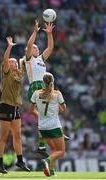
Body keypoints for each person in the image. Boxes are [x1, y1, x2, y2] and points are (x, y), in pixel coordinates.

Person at [20, 20, 69, 157]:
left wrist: (49, 34)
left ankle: (42, 145)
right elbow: (29, 44)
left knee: (46, 114)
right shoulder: (29, 59)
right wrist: (35, 32)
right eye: (35, 48)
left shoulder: (41, 59)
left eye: (37, 48)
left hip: (45, 86)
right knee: (44, 114)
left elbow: (51, 47)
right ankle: (48, 140)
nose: (37, 49)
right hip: (36, 86)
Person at [0, 36, 30, 174]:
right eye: (12, 62)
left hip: (15, 107)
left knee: (17, 136)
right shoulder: (6, 72)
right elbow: (5, 59)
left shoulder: (18, 73)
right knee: (4, 137)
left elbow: (25, 60)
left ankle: (20, 160)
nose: (14, 64)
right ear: (7, 65)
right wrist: (9, 46)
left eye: (15, 62)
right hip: (5, 106)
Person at [30, 72, 66, 177]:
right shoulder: (57, 94)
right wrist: (57, 107)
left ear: (43, 82)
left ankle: (52, 172)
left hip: (42, 127)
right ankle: (47, 161)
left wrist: (41, 116)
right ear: (52, 82)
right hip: (54, 126)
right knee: (61, 152)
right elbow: (64, 109)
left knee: (54, 150)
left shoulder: (36, 93)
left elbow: (31, 110)